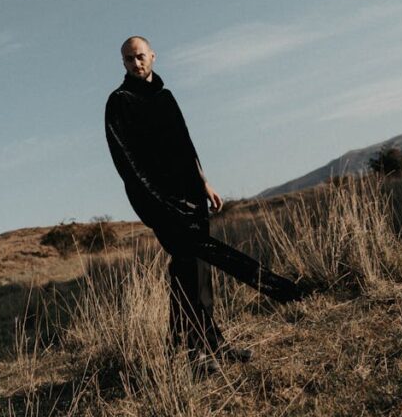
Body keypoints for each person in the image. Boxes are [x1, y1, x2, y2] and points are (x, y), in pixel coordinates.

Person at [105, 36, 303, 373]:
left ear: (152, 55)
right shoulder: (119, 102)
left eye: (140, 57)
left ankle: (205, 349)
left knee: (196, 272)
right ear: (123, 63)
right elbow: (128, 164)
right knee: (189, 265)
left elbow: (185, 143)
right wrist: (159, 206)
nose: (135, 64)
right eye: (128, 60)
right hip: (162, 204)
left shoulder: (165, 97)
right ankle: (198, 353)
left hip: (192, 198)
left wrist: (204, 183)